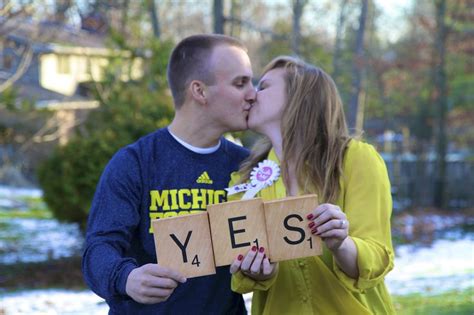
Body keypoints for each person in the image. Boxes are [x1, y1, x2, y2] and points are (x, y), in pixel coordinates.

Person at [82, 34, 256, 314]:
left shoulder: (249, 168)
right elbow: (98, 249)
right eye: (240, 83)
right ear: (199, 91)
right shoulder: (135, 163)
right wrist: (126, 278)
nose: (252, 94)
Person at [228, 56, 395, 314]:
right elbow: (243, 277)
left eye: (263, 87)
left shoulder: (357, 159)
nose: (251, 95)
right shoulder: (245, 181)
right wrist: (259, 271)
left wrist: (341, 243)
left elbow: (376, 257)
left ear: (299, 97)